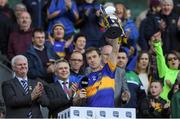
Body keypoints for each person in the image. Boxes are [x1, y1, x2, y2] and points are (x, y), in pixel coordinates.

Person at [77, 35, 120, 107]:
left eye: (94, 57)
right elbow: (76, 103)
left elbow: (115, 50)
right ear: (87, 61)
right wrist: (78, 98)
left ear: (100, 57)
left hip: (109, 114)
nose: (92, 60)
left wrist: (115, 31)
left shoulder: (108, 69)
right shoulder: (84, 80)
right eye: (89, 58)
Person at [151, 31, 180, 101]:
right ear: (167, 62)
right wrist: (157, 43)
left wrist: (172, 86)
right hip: (163, 106)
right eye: (170, 59)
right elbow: (160, 57)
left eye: (175, 58)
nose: (172, 60)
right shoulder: (164, 71)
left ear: (179, 61)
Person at [117, 48, 146, 115]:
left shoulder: (134, 75)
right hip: (113, 113)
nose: (121, 60)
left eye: (123, 58)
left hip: (131, 113)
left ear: (127, 60)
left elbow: (142, 96)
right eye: (118, 58)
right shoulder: (109, 75)